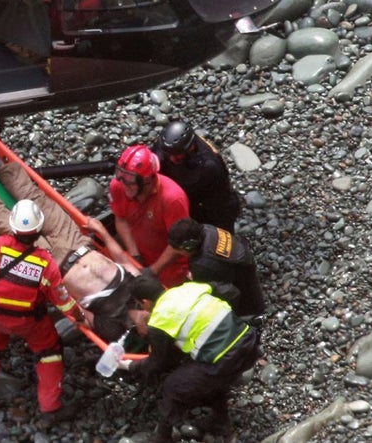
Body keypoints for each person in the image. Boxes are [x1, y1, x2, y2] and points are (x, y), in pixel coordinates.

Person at [0, 136, 140, 342]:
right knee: (39, 203)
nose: (147, 317)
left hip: (54, 266)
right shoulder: (144, 291)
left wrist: (55, 291)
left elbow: (79, 317)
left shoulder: (115, 328)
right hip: (78, 243)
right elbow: (124, 259)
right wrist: (102, 231)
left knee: (11, 226)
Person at [0, 200, 82, 425]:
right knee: (49, 353)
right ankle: (50, 409)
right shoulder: (45, 263)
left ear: (13, 227)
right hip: (30, 322)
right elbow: (62, 300)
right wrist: (80, 318)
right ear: (38, 230)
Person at [122, 271, 261, 442]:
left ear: (145, 302)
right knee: (205, 375)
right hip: (249, 341)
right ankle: (220, 421)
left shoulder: (158, 320)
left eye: (139, 305)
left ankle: (162, 436)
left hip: (225, 360)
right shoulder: (188, 288)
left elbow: (158, 362)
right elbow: (231, 292)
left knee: (172, 386)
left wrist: (129, 366)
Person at [109, 145, 190, 288]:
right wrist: (135, 255)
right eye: (120, 174)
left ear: (147, 180)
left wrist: (152, 271)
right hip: (140, 253)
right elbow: (120, 218)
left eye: (129, 179)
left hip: (170, 266)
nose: (123, 183)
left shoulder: (172, 199)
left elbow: (179, 244)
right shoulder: (118, 186)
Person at [152, 120, 243, 234]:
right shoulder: (166, 145)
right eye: (168, 154)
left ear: (190, 150)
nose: (171, 159)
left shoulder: (209, 167)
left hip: (213, 203)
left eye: (176, 157)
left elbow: (220, 203)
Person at [167, 218, 265, 318]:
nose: (178, 253)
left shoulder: (201, 266)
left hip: (242, 293)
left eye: (179, 250)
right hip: (244, 262)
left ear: (188, 246)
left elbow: (227, 293)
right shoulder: (207, 230)